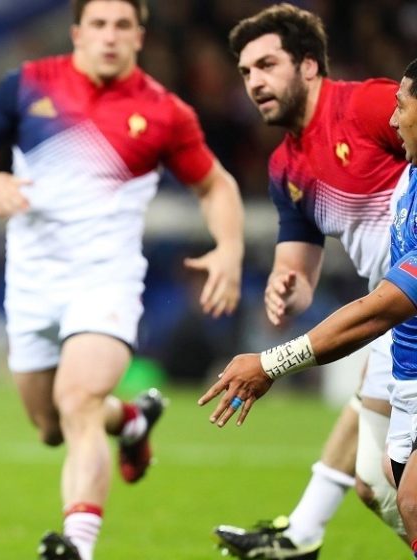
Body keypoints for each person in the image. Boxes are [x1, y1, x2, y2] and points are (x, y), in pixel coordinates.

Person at [0, 1, 244, 558]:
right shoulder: (29, 84)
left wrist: (228, 249)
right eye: (99, 25)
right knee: (51, 425)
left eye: (122, 26)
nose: (110, 36)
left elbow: (216, 186)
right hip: (33, 284)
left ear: (139, 36)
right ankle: (130, 419)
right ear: (78, 32)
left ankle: (77, 546)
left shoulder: (164, 112)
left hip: (106, 282)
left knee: (78, 398)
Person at [210, 5, 409, 558]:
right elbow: (297, 264)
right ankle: (302, 535)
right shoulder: (285, 169)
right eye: (246, 71)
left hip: (402, 302)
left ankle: (300, 536)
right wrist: (288, 286)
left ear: (308, 66)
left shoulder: (369, 105)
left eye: (267, 64)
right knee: (375, 482)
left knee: (400, 484)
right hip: (394, 312)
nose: (254, 82)